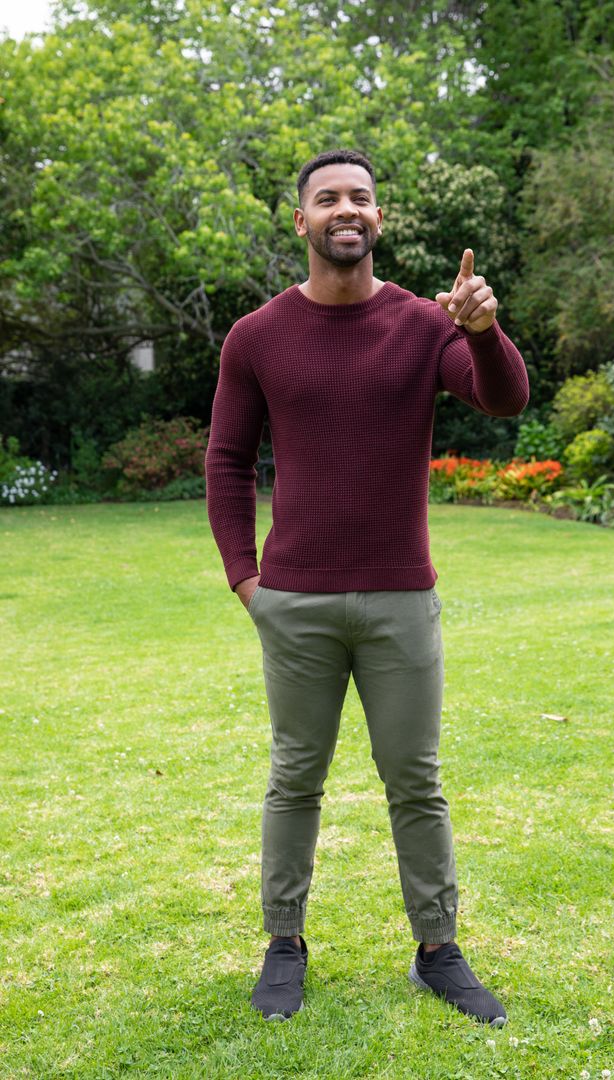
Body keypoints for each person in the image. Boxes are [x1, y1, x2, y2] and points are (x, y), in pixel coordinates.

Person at [205, 148, 529, 1025]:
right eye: (327, 199)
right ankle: (284, 944)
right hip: (297, 602)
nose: (346, 210)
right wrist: (247, 580)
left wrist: (482, 329)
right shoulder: (256, 336)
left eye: (361, 198)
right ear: (302, 220)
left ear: (378, 219)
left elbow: (504, 401)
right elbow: (227, 460)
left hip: (399, 599)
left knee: (415, 781)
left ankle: (438, 950)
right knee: (294, 780)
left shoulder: (427, 325)